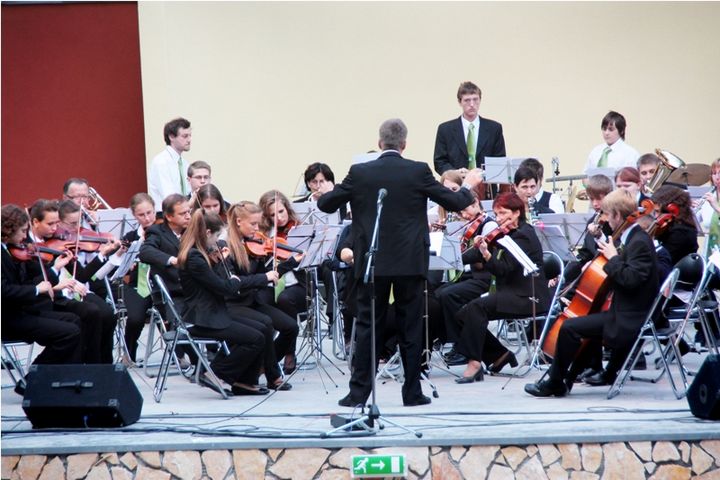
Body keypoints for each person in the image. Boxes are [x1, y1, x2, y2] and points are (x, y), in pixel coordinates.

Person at [317, 118, 483, 407]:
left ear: (379, 143)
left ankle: (358, 393)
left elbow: (325, 204)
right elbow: (455, 202)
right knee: (411, 327)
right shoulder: (418, 171)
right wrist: (467, 185)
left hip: (372, 262)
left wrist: (330, 193)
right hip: (409, 262)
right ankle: (412, 391)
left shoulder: (360, 172)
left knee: (368, 326)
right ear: (404, 144)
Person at [524, 189, 659, 397]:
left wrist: (613, 258)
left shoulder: (639, 242)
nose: (605, 219)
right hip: (624, 311)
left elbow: (631, 280)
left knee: (569, 327)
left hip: (630, 317)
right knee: (584, 326)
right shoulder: (632, 237)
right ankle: (564, 379)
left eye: (607, 214)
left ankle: (555, 382)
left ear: (617, 215)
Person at [453, 192, 551, 383]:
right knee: (461, 315)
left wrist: (486, 254)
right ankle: (499, 355)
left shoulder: (524, 236)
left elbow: (503, 270)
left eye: (503, 213)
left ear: (516, 213)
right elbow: (475, 256)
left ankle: (474, 363)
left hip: (528, 296)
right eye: (496, 214)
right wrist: (453, 258)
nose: (498, 219)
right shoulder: (507, 234)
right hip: (511, 293)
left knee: (476, 308)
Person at [177, 209, 267, 396]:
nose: (218, 242)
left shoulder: (199, 254)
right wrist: (234, 280)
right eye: (217, 236)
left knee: (261, 329)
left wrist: (219, 263)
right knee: (255, 339)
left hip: (212, 313)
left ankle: (244, 381)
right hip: (202, 319)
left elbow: (214, 281)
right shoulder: (195, 257)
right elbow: (224, 288)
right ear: (208, 233)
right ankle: (216, 374)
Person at [223, 201, 299, 385]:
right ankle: (273, 375)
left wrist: (291, 263)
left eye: (258, 224)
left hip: (253, 301)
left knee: (291, 327)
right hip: (234, 304)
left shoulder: (254, 245)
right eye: (253, 224)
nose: (258, 229)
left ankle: (263, 366)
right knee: (266, 325)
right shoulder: (225, 247)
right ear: (239, 221)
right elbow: (236, 283)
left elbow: (268, 274)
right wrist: (264, 277)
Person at [2, 204, 82, 375]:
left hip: (22, 311)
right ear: (8, 230)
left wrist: (54, 269)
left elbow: (28, 280)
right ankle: (34, 380)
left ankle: (65, 377)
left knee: (74, 320)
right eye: (22, 231)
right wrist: (36, 290)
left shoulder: (10, 250)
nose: (25, 236)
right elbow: (4, 290)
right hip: (8, 318)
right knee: (70, 333)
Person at [436, 192, 498, 365]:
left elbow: (479, 255)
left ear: (476, 203)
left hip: (485, 278)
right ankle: (450, 340)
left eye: (465, 210)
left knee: (448, 295)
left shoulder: (489, 225)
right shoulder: (468, 226)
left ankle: (461, 346)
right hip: (468, 276)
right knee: (437, 294)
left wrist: (456, 256)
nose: (463, 215)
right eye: (460, 212)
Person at [433, 81, 506, 177]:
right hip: (456, 183)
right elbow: (440, 161)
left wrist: (482, 174)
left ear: (480, 100)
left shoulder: (494, 128)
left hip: (485, 183)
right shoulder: (445, 129)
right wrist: (456, 173)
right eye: (467, 100)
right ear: (460, 102)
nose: (472, 104)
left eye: (475, 99)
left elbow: (499, 161)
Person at [148, 117, 192, 211]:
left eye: (190, 135)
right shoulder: (161, 162)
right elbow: (169, 197)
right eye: (185, 136)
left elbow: (188, 191)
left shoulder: (184, 163)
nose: (189, 140)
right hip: (166, 214)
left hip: (182, 213)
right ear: (171, 137)